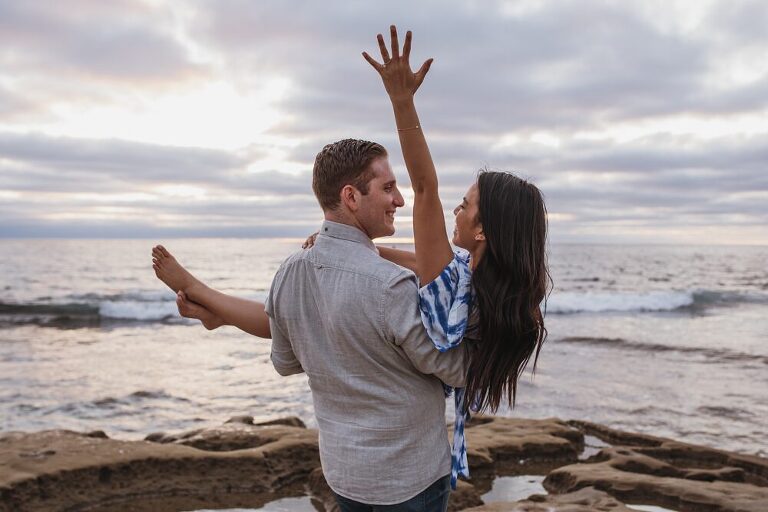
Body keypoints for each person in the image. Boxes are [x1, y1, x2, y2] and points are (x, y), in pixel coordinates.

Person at [153, 137, 469, 511]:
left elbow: (286, 360)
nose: (399, 200)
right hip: (406, 477)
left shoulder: (290, 270)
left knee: (281, 316)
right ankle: (212, 305)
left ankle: (213, 306)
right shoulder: (392, 284)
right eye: (388, 188)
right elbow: (453, 369)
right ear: (351, 197)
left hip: (344, 473)